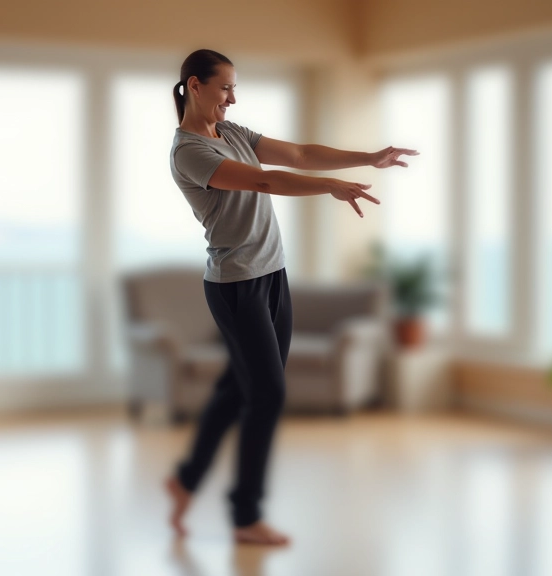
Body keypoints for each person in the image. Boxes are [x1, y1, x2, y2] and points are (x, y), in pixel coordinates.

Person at [166, 48, 417, 547]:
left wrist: (368, 158)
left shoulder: (231, 133)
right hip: (236, 284)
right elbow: (262, 179)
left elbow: (299, 155)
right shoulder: (190, 150)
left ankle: (186, 479)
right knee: (269, 393)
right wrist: (329, 188)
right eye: (224, 89)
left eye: (234, 89)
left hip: (272, 275)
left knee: (240, 388)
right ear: (195, 86)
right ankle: (245, 515)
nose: (232, 99)